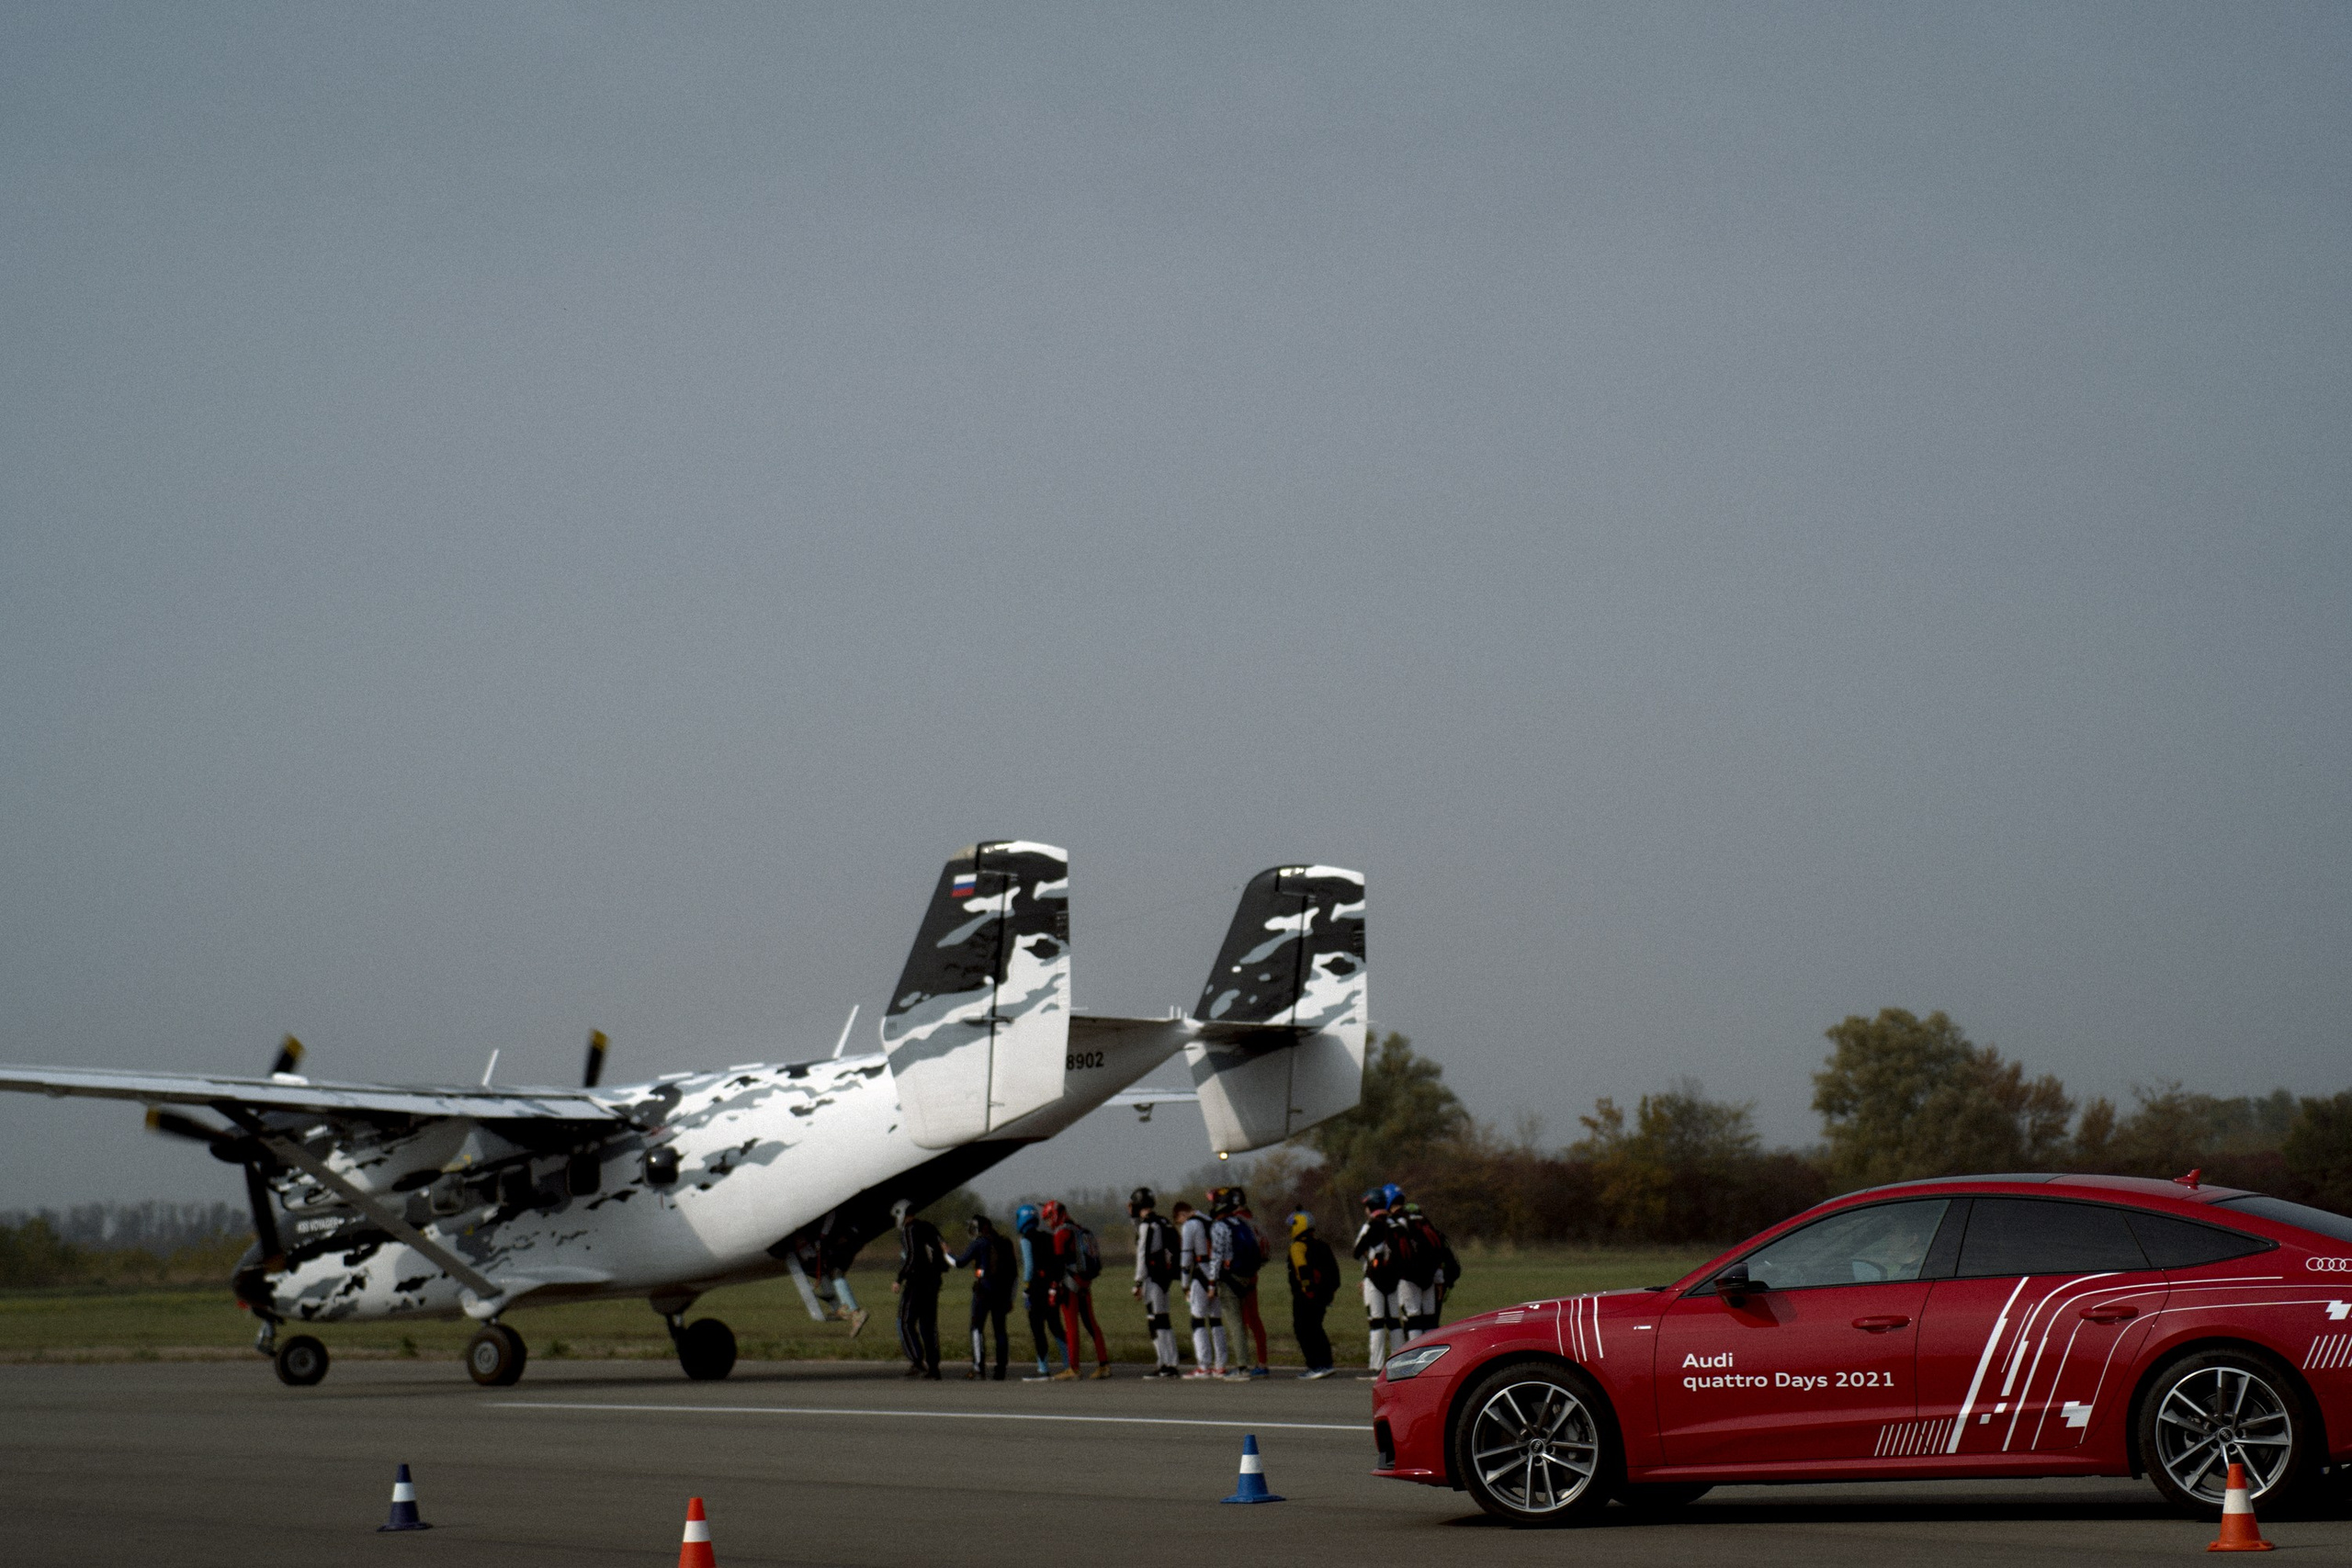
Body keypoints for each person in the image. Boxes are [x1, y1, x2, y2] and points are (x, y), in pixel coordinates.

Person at [1042, 1199, 1112, 1380]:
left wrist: (1053, 1289)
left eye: (1048, 1218)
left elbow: (1058, 1265)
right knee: (1091, 1324)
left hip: (1069, 1285)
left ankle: (1073, 1368)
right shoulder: (1079, 1229)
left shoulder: (1061, 1234)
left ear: (1055, 1215)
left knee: (1071, 1325)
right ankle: (1104, 1364)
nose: (1048, 1223)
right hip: (1085, 1284)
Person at [1206, 1187, 1270, 1380]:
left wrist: (1211, 1284)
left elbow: (1217, 1256)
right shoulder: (1243, 1222)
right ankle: (1258, 1361)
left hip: (1230, 1279)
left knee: (1236, 1323)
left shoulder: (1220, 1226)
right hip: (1247, 1276)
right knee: (1250, 1320)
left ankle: (1242, 1367)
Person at [949, 1213, 1014, 1380]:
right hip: (1002, 1294)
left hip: (983, 1292)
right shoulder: (1005, 1242)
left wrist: (946, 1253)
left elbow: (959, 1263)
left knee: (976, 1328)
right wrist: (1011, 1298)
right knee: (1000, 1330)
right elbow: (1014, 1274)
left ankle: (978, 1368)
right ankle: (1001, 1369)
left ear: (981, 1227)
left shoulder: (979, 1243)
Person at [889, 1197, 946, 1380]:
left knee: (905, 1321)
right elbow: (944, 1247)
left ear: (902, 1214)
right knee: (928, 1325)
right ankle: (934, 1367)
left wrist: (899, 1278)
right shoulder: (929, 1226)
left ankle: (916, 1360)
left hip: (916, 1283)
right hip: (934, 1282)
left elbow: (912, 1256)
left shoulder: (909, 1230)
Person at [1129, 1187, 1182, 1378]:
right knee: (1162, 1318)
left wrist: (1137, 1282)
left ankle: (1167, 1364)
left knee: (1156, 1320)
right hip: (1165, 1277)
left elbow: (1142, 1255)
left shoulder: (1147, 1226)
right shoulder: (1162, 1222)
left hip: (1152, 1278)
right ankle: (1168, 1361)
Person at [1391, 1199, 1458, 1344]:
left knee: (1413, 1319)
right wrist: (1439, 1281)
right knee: (1429, 1320)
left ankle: (1415, 1355)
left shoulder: (1402, 1228)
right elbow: (1438, 1256)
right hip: (1430, 1279)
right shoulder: (1428, 1229)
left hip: (1409, 1279)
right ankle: (1432, 1357)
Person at [1351, 1186, 1401, 1375]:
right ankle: (1398, 1366)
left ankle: (1376, 1367)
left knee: (1377, 1323)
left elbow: (1357, 1252)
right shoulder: (1395, 1223)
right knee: (1395, 1322)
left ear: (1370, 1206)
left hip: (1375, 1277)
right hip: (1395, 1278)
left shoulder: (1372, 1225)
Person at [1174, 1199, 1226, 1378]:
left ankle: (1204, 1366)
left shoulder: (1190, 1225)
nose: (1181, 1224)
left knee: (1197, 1320)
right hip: (1216, 1274)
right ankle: (1221, 1365)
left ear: (1181, 1214)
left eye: (1179, 1221)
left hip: (1199, 1274)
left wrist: (1184, 1283)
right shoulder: (1211, 1222)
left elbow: (1187, 1256)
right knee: (1216, 1320)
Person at [1015, 1202, 1067, 1381]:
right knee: (1056, 1326)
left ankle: (1043, 1368)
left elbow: (1029, 1267)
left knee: (1038, 1328)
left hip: (1036, 1289)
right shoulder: (1048, 1236)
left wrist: (1026, 1289)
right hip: (1051, 1288)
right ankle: (1069, 1365)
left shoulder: (1025, 1240)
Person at [1285, 1209, 1340, 1379]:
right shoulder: (1322, 1245)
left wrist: (1308, 1290)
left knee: (1303, 1329)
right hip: (1324, 1295)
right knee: (1317, 1327)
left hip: (1306, 1296)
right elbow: (1334, 1273)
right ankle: (1326, 1363)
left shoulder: (1297, 1247)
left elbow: (1302, 1270)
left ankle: (1315, 1365)